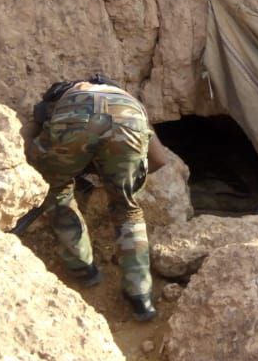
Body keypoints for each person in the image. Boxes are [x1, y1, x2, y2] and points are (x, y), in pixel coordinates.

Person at [27, 73, 165, 322]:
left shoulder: (60, 96)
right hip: (129, 120)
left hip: (73, 115)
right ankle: (141, 298)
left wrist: (67, 167)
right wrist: (118, 182)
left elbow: (33, 148)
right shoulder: (128, 100)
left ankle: (83, 269)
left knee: (58, 190)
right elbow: (160, 159)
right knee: (127, 209)